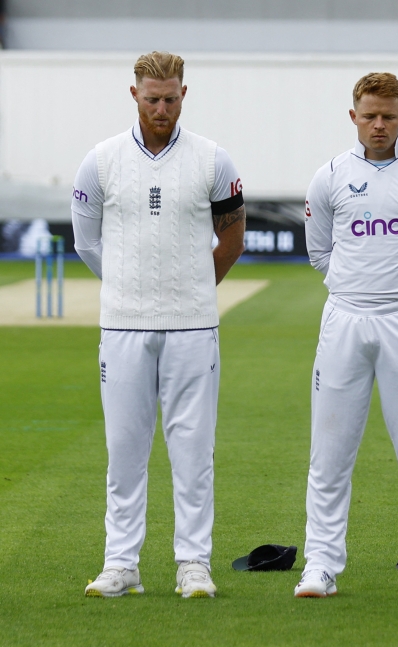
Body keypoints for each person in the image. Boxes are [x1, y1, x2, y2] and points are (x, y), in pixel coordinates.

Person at [71, 51, 246, 598]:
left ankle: (193, 564)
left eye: (171, 98)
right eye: (152, 100)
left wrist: (189, 290)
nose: (162, 109)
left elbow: (232, 241)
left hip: (193, 328)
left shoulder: (214, 160)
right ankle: (121, 564)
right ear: (134, 95)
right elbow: (86, 241)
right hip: (122, 327)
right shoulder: (100, 161)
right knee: (125, 451)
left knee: (193, 451)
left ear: (184, 94)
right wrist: (129, 290)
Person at [296, 72, 398, 599]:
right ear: (354, 117)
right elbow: (320, 253)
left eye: (388, 115)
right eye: (370, 115)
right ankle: (320, 565)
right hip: (344, 319)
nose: (379, 124)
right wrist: (359, 294)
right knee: (330, 453)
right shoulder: (330, 177)